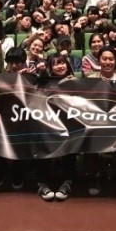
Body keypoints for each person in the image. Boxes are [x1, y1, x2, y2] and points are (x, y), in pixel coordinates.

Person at [86, 46, 116, 195]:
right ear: (99, 61)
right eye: (104, 59)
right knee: (87, 133)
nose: (107, 62)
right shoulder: (90, 79)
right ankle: (93, 176)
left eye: (111, 59)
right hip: (97, 121)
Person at [36, 54, 76, 201]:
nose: (60, 66)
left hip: (70, 124)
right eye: (55, 64)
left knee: (72, 140)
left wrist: (74, 83)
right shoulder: (44, 81)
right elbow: (40, 79)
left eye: (62, 63)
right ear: (50, 68)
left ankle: (67, 182)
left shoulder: (75, 82)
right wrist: (42, 71)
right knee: (42, 141)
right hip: (47, 123)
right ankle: (42, 183)